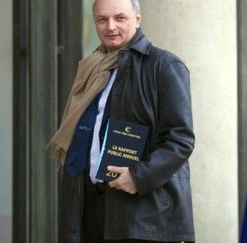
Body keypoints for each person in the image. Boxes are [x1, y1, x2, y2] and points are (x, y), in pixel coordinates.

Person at [48, 0, 195, 242]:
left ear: (137, 19)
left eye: (120, 18)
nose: (110, 26)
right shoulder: (91, 69)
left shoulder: (164, 66)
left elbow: (180, 139)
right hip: (90, 206)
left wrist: (139, 177)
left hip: (144, 215)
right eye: (102, 19)